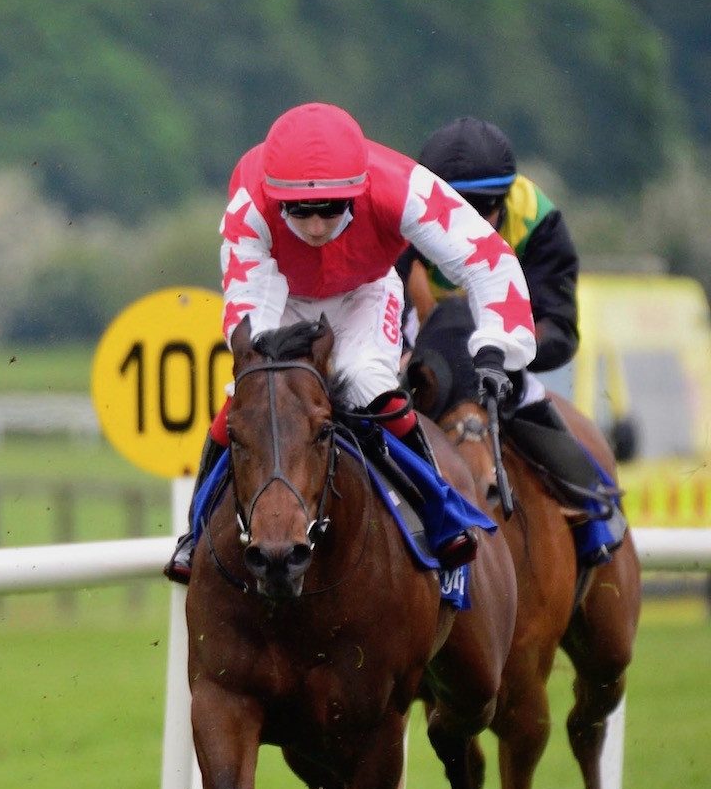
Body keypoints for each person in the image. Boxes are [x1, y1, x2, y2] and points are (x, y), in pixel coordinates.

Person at [164, 101, 536, 584]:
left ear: (357, 195)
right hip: (283, 292)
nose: (316, 228)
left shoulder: (400, 187)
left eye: (331, 210)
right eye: (300, 212)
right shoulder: (249, 203)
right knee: (253, 394)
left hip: (366, 290)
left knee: (366, 379)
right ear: (277, 199)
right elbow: (247, 305)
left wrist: (493, 350)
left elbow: (486, 258)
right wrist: (256, 362)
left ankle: (439, 509)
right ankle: (196, 532)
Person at [404, 115, 624, 566]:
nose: (463, 230)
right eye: (452, 214)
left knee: (526, 394)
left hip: (502, 347)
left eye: (479, 213)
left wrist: (505, 354)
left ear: (503, 203)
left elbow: (559, 329)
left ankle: (590, 506)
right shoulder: (402, 212)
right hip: (424, 342)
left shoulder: (538, 222)